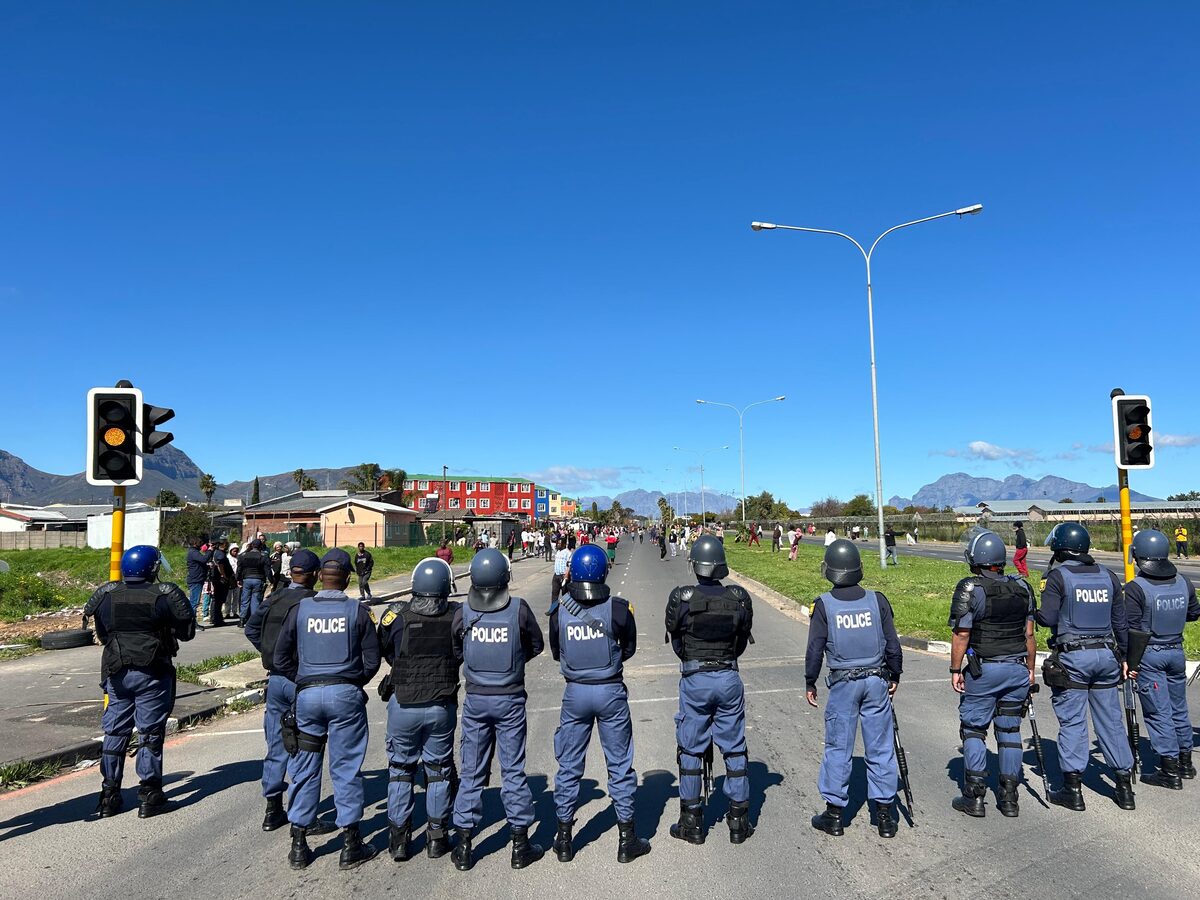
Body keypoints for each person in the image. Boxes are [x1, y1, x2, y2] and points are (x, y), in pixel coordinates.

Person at [274, 548, 381, 870]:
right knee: (345, 767)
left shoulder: (300, 609)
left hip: (307, 696)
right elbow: (372, 660)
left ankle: (299, 843)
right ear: (348, 578)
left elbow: (280, 658)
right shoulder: (358, 611)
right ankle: (350, 843)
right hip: (345, 695)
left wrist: (305, 679)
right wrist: (350, 681)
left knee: (305, 766)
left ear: (320, 576)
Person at [549, 544, 651, 864]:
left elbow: (556, 652)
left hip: (575, 693)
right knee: (619, 764)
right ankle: (627, 839)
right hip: (610, 692)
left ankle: (564, 838)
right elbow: (630, 648)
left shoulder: (559, 610)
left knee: (569, 765)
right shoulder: (619, 609)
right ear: (603, 571)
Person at [450, 549, 545, 871]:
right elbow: (535, 645)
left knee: (472, 772)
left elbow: (455, 649)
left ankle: (463, 845)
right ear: (505, 577)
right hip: (510, 699)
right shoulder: (518, 609)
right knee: (513, 770)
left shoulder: (464, 612)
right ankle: (520, 845)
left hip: (476, 699)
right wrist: (513, 664)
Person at [84, 545, 195, 819]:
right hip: (152, 672)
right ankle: (150, 794)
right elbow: (187, 632)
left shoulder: (106, 595)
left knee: (115, 732)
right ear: (152, 568)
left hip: (116, 671)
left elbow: (103, 633)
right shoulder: (163, 595)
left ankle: (109, 796)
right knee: (149, 733)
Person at [806, 539, 903, 838]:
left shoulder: (824, 605)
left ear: (829, 570)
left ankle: (835, 815)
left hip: (844, 685)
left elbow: (815, 649)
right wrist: (894, 674)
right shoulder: (878, 600)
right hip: (876, 681)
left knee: (838, 747)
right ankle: (885, 815)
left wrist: (810, 680)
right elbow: (893, 644)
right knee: (881, 746)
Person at [1035, 522, 1135, 811]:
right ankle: (1124, 787)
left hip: (1074, 658)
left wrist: (1032, 607)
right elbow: (1120, 621)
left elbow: (1048, 619)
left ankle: (1073, 790)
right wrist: (1126, 656)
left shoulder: (1058, 577)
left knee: (1073, 722)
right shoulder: (1108, 575)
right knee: (1111, 722)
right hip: (1107, 656)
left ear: (1059, 547)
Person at [664, 535, 755, 845]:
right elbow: (741, 640)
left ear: (695, 564)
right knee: (734, 746)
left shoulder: (682, 597)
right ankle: (739, 822)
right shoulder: (739, 599)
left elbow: (676, 640)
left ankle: (691, 822)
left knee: (690, 747)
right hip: (728, 677)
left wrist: (693, 660)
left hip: (695, 679)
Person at [377, 557, 463, 861]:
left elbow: (385, 649)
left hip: (404, 704)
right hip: (441, 705)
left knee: (401, 771)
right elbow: (462, 653)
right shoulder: (457, 615)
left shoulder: (395, 614)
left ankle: (399, 841)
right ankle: (437, 839)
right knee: (438, 771)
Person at [244, 549, 335, 835]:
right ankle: (303, 814)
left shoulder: (275, 598)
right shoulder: (314, 602)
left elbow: (251, 629)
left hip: (276, 681)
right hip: (303, 681)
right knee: (305, 748)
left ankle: (272, 810)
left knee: (276, 744)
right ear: (314, 574)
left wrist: (269, 653)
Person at [948, 531, 1036, 818]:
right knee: (1010, 730)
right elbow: (1029, 635)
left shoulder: (970, 588)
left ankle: (974, 796)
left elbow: (962, 634)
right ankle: (1009, 797)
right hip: (1017, 669)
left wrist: (954, 669)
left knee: (974, 729)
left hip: (984, 669)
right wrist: (1030, 669)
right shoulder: (1023, 587)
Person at [1125, 529, 1200, 787]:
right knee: (1179, 708)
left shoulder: (1137, 588)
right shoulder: (1184, 582)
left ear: (1138, 556)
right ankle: (1186, 762)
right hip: (1177, 651)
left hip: (1150, 654)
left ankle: (1168, 770)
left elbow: (1131, 629)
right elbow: (1193, 613)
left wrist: (1130, 663)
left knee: (1159, 712)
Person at [237, 539, 271, 627]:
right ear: (260, 546)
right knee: (256, 600)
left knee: (245, 600)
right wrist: (271, 580)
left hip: (247, 579)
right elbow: (267, 570)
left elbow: (239, 568)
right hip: (258, 579)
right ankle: (253, 621)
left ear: (252, 545)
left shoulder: (243, 555)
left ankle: (241, 620)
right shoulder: (263, 556)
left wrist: (238, 578)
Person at [185, 536, 210, 617]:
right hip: (195, 580)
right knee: (194, 603)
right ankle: (192, 623)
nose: (201, 545)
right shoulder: (193, 552)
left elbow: (200, 563)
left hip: (197, 579)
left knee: (194, 602)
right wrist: (209, 551)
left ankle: (192, 623)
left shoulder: (194, 552)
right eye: (200, 543)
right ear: (195, 543)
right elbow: (203, 559)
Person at [550, 538, 571, 614]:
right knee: (554, 594)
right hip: (556, 575)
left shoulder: (568, 553)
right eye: (557, 543)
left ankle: (566, 611)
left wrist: (566, 576)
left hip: (563, 576)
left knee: (565, 595)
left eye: (559, 543)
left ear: (564, 544)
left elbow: (569, 565)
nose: (558, 545)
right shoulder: (558, 552)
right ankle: (553, 610)